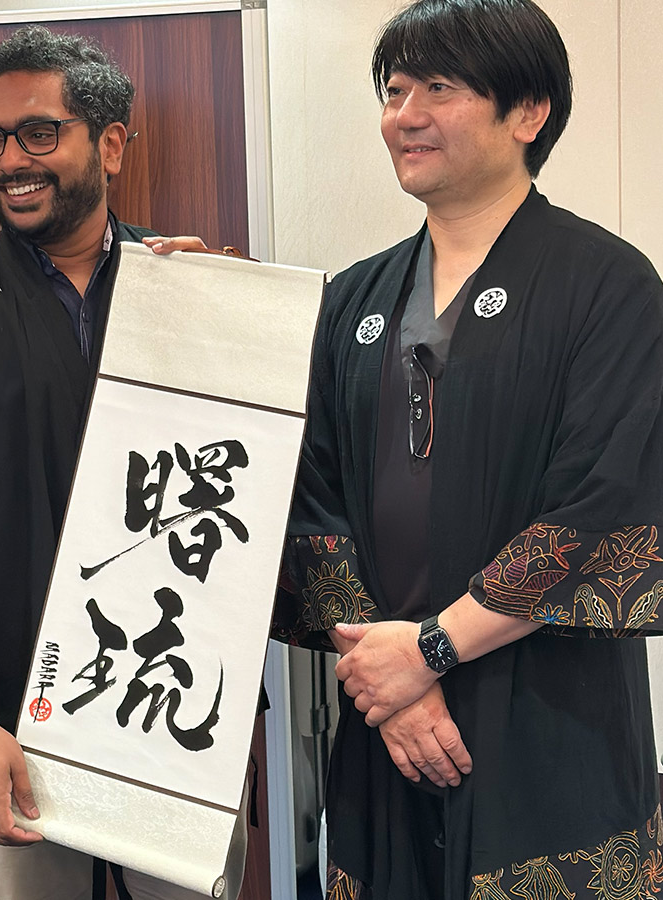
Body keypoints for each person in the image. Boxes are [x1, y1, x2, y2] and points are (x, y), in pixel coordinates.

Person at [0, 26, 246, 900]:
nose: (7, 161)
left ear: (109, 143)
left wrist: (235, 324)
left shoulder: (188, 290)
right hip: (16, 725)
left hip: (172, 724)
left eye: (37, 134)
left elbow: (247, 478)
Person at [273, 1, 663, 898]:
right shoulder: (353, 297)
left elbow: (599, 506)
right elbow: (312, 496)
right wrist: (394, 674)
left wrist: (431, 651)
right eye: (395, 88)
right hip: (386, 712)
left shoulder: (608, 285)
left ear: (527, 113)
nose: (403, 114)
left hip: (550, 704)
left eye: (437, 88)